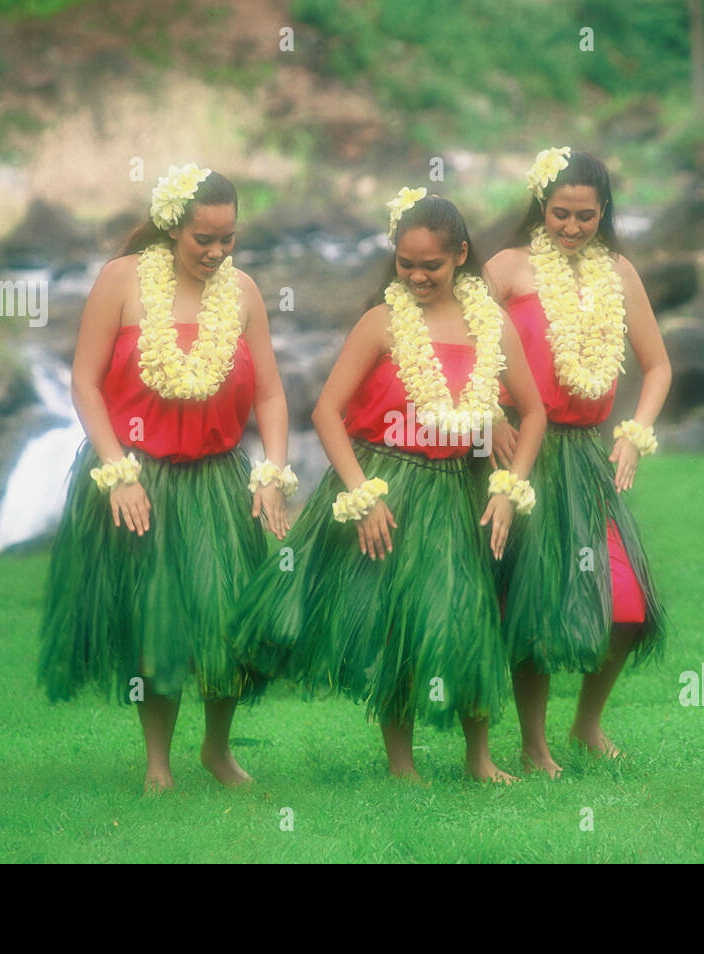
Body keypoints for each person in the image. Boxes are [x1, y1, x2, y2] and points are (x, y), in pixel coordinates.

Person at [230, 189, 546, 784]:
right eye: (406, 264)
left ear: (460, 255)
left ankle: (479, 757)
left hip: (458, 487)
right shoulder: (381, 322)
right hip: (387, 483)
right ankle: (401, 765)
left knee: (467, 614)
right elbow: (327, 412)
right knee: (394, 619)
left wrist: (509, 486)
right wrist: (361, 494)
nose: (418, 275)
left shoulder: (491, 324)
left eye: (432, 264)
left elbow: (533, 413)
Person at [38, 163, 295, 794]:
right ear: (171, 227)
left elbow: (270, 395)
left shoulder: (244, 294)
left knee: (228, 619)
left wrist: (273, 470)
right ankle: (158, 763)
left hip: (216, 477)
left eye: (227, 238)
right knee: (157, 623)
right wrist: (114, 469)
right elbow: (85, 383)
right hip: (138, 476)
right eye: (203, 239)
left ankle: (216, 749)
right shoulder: (122, 281)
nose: (216, 252)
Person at [482, 147, 672, 777]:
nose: (571, 227)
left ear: (604, 212)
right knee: (533, 605)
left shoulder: (619, 272)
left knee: (627, 602)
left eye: (585, 216)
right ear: (541, 206)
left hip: (591, 457)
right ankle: (534, 745)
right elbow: (462, 350)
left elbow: (659, 367)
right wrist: (490, 418)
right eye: (560, 213)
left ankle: (587, 722)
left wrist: (634, 433)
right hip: (526, 456)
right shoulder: (507, 269)